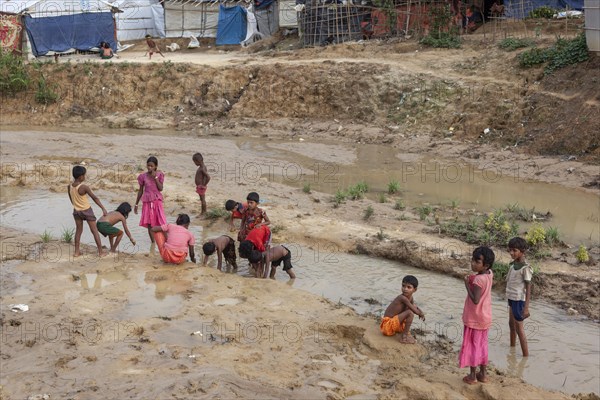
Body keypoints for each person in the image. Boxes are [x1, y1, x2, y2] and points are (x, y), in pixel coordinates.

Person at [459, 246, 495, 385]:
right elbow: (483, 278)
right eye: (472, 260)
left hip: (475, 319)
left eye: (476, 261)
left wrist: (467, 284)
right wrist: (474, 278)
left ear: (485, 265)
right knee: (482, 345)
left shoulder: (478, 281)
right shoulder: (489, 274)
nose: (473, 263)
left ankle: (473, 375)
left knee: (473, 346)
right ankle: (483, 374)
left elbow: (475, 299)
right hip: (485, 318)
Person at [67, 165, 108, 257]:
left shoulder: (69, 186)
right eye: (84, 175)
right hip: (87, 210)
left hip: (77, 211)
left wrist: (76, 206)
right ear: (81, 176)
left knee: (78, 231)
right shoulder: (84, 187)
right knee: (94, 231)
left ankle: (77, 252)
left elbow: (71, 199)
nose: (84, 177)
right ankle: (101, 252)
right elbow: (95, 198)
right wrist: (103, 208)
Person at [506, 237, 533, 357]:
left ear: (522, 251)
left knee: (519, 329)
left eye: (514, 250)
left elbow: (528, 288)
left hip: (519, 300)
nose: (511, 253)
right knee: (511, 324)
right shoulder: (513, 265)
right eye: (510, 250)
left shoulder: (525, 268)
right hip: (511, 298)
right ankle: (512, 350)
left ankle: (525, 355)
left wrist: (526, 308)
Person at [380, 275, 425, 344]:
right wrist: (421, 314)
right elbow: (414, 311)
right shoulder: (402, 298)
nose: (405, 289)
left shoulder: (411, 298)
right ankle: (404, 338)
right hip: (387, 326)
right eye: (403, 286)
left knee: (409, 312)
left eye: (408, 287)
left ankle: (404, 334)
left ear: (415, 290)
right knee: (410, 313)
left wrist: (420, 311)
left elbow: (414, 307)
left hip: (395, 325)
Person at [134, 156, 166, 246]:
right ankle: (153, 243)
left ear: (156, 166)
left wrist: (155, 177)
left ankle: (165, 241)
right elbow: (140, 191)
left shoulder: (159, 175)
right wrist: (136, 204)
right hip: (147, 202)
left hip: (157, 201)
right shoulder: (143, 176)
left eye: (151, 166)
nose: (149, 168)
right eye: (148, 166)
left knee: (161, 222)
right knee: (149, 223)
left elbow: (160, 188)